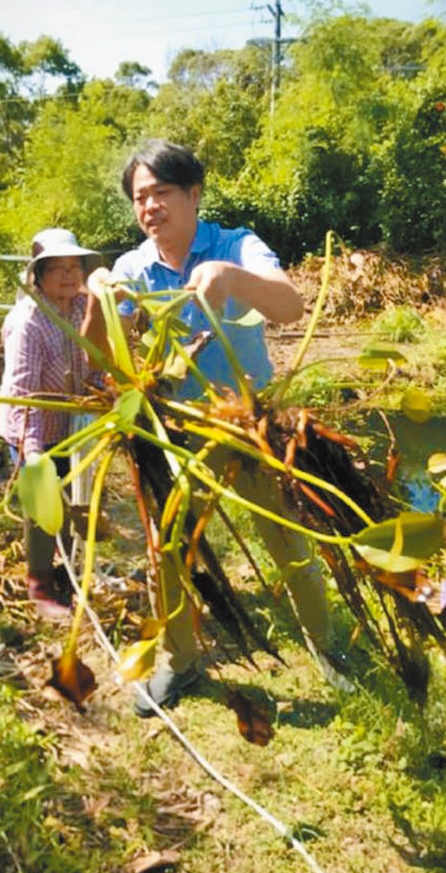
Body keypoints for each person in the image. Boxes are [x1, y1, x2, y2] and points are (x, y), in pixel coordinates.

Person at [89, 140, 335, 715]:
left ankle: (325, 649)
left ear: (194, 194)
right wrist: (99, 302)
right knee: (167, 549)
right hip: (173, 432)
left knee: (287, 540)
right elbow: (105, 358)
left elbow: (291, 306)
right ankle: (180, 663)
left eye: (161, 193)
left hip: (249, 423)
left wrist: (231, 279)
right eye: (139, 198)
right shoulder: (131, 269)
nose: (149, 207)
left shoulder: (237, 244)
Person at [0, 228, 107, 620]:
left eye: (74, 266)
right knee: (43, 505)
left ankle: (69, 569)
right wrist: (33, 455)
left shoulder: (81, 308)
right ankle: (39, 584)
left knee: (75, 498)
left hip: (72, 422)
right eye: (56, 269)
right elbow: (21, 393)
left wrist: (106, 391)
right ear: (38, 277)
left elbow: (94, 362)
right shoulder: (27, 320)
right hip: (33, 425)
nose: (68, 275)